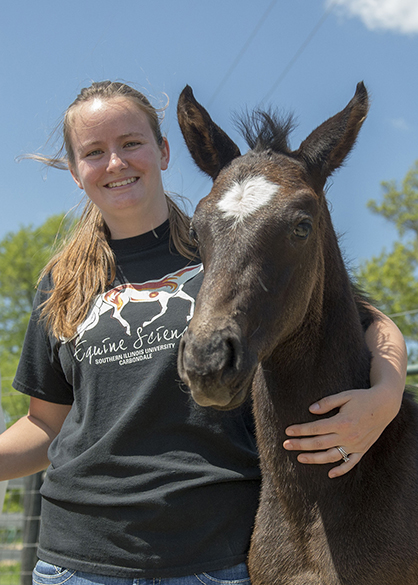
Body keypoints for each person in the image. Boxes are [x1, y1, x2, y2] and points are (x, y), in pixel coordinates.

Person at [0, 81, 407, 584]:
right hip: (77, 561)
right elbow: (46, 424)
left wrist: (387, 393)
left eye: (131, 144)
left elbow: (363, 319)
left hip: (208, 558)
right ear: (75, 171)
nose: (116, 163)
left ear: (164, 150)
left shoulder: (226, 247)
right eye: (94, 152)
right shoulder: (63, 285)